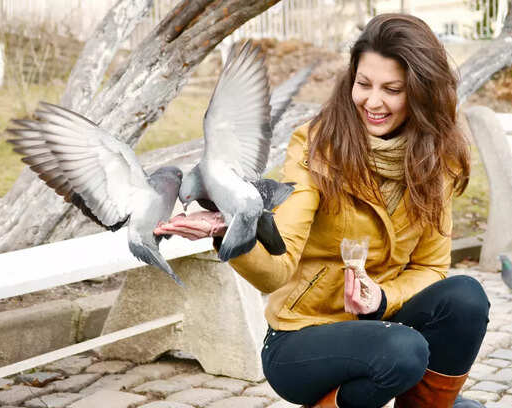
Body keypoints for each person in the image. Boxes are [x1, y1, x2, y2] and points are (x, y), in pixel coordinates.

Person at [155, 13, 490, 408]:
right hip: (301, 338)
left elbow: (430, 268)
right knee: (405, 350)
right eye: (363, 84)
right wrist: (231, 230)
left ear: (421, 92)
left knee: (466, 298)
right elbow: (277, 268)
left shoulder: (436, 161)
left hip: (378, 321)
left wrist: (382, 298)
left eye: (392, 89)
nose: (372, 101)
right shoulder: (318, 147)